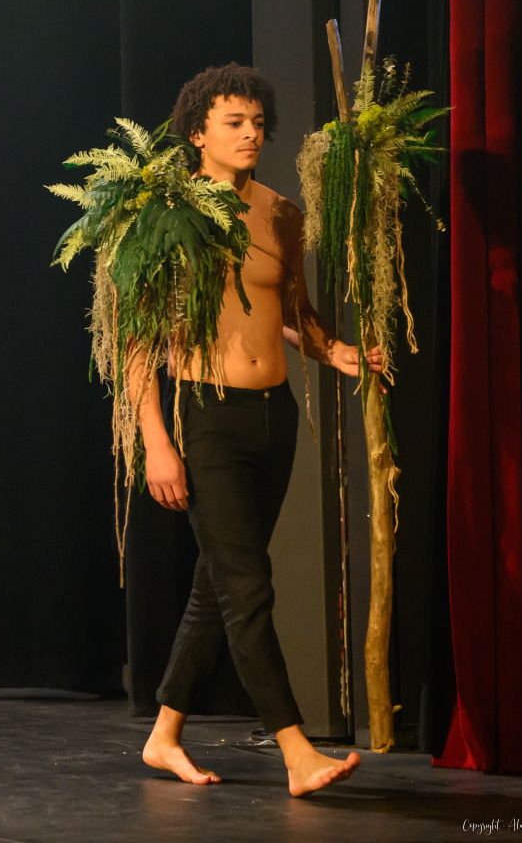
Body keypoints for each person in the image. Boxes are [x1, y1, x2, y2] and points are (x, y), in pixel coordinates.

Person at [130, 63, 382, 797]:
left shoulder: (280, 213)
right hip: (204, 417)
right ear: (197, 132)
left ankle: (163, 736)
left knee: (219, 586)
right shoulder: (166, 215)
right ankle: (297, 751)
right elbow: (137, 343)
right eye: (233, 123)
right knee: (247, 589)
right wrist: (156, 442)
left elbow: (294, 311)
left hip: (273, 418)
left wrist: (335, 351)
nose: (250, 135)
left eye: (257, 123)